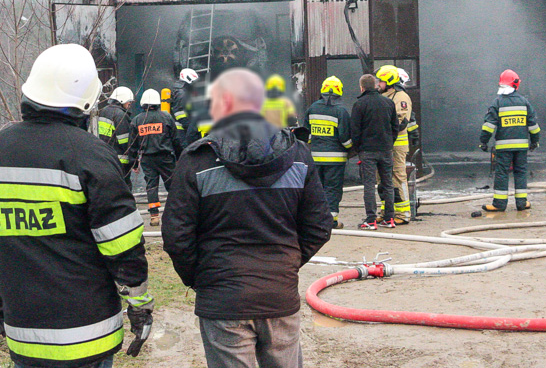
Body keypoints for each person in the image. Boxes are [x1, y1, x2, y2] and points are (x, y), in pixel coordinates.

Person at [0, 44, 153, 368]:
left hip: (25, 334)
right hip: (91, 335)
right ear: (86, 101)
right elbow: (123, 243)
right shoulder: (91, 156)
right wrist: (140, 303)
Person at [162, 68, 331, 368]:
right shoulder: (298, 155)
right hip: (278, 295)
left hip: (223, 302)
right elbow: (318, 227)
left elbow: (177, 237)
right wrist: (285, 264)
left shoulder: (195, 160)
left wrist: (203, 278)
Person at [477, 69, 540, 213]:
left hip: (503, 148)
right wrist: (535, 142)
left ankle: (499, 204)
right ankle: (521, 203)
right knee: (520, 172)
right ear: (516, 84)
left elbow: (489, 126)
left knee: (502, 173)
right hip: (521, 147)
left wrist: (483, 142)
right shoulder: (524, 102)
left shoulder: (497, 102)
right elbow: (533, 126)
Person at [350, 73, 400, 230]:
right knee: (388, 184)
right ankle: (389, 219)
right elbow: (395, 127)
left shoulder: (359, 104)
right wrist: (389, 143)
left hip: (368, 151)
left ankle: (371, 220)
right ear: (376, 86)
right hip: (386, 150)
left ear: (362, 87)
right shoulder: (388, 102)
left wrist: (359, 149)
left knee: (369, 185)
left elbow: (355, 131)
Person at [303, 76, 352, 229]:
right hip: (335, 160)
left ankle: (317, 219)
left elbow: (307, 135)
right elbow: (345, 138)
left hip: (316, 158)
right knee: (332, 189)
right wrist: (352, 148)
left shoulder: (312, 108)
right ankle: (331, 220)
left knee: (317, 189)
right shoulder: (341, 111)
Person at [129, 89, 184, 227]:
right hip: (166, 158)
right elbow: (175, 140)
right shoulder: (166, 117)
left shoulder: (137, 120)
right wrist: (179, 157)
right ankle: (177, 214)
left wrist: (134, 164)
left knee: (151, 187)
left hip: (147, 159)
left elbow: (133, 145)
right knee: (173, 185)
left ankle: (154, 216)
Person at [376, 65, 413, 224]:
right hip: (384, 145)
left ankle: (403, 214)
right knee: (382, 179)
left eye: (381, 81)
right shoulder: (385, 96)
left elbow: (400, 121)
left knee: (398, 177)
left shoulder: (400, 97)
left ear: (389, 82)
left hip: (397, 146)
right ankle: (387, 211)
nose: (378, 84)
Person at [97, 86, 135, 189]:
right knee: (125, 187)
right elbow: (125, 142)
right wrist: (133, 159)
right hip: (120, 159)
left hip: (106, 156)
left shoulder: (103, 111)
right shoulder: (120, 115)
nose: (129, 104)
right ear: (122, 100)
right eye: (129, 102)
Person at [171, 68, 201, 144]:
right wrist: (192, 128)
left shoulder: (183, 91)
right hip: (182, 131)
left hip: (182, 130)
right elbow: (180, 114)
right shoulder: (181, 93)